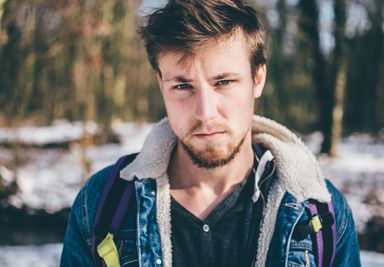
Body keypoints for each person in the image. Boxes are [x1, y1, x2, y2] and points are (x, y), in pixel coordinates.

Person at [61, 0, 361, 266]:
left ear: (258, 78)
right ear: (160, 84)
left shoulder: (320, 212)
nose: (205, 112)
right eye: (182, 86)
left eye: (224, 82)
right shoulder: (103, 203)